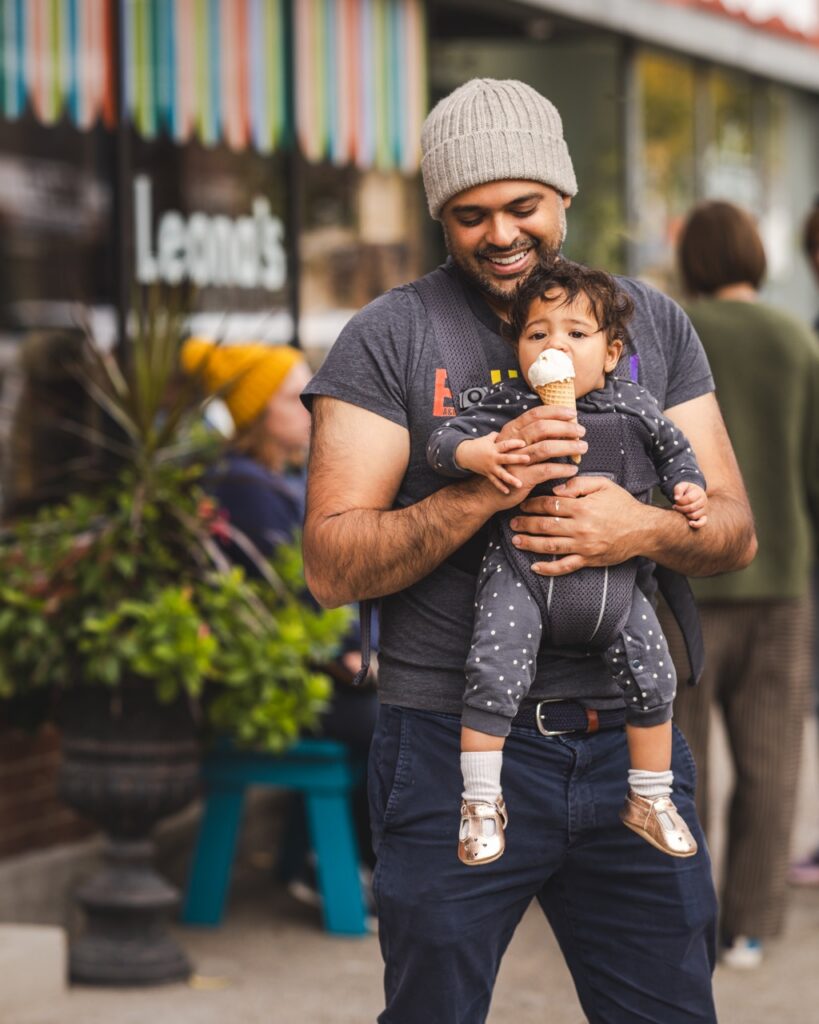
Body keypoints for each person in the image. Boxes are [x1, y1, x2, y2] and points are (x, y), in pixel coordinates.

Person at [302, 78, 756, 1023]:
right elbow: (330, 563)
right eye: (470, 215)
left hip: (630, 748)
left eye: (522, 207)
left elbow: (732, 531)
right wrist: (484, 485)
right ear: (441, 216)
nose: (500, 234)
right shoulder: (391, 337)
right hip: (447, 747)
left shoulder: (646, 323)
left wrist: (639, 528)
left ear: (563, 199)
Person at [427, 259, 706, 864]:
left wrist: (687, 488)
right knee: (493, 670)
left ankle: (650, 797)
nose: (555, 344)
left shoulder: (634, 405)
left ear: (611, 353)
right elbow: (441, 444)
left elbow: (676, 449)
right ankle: (479, 800)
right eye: (538, 334)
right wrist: (481, 453)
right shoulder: (510, 406)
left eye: (575, 334)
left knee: (655, 674)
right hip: (522, 571)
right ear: (520, 349)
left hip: (617, 585)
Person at [671, 200, 818, 969]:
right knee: (771, 763)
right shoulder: (796, 341)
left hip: (683, 583)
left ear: (690, 261)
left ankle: (679, 918)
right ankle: (750, 926)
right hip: (778, 581)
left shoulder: (672, 337)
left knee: (675, 762)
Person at [180, 339, 378, 892]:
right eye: (293, 397)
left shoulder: (287, 478)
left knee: (389, 711)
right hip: (275, 683)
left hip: (314, 668)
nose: (311, 407)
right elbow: (300, 592)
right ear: (257, 414)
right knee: (386, 723)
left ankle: (313, 862)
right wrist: (350, 653)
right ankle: (350, 867)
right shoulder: (246, 487)